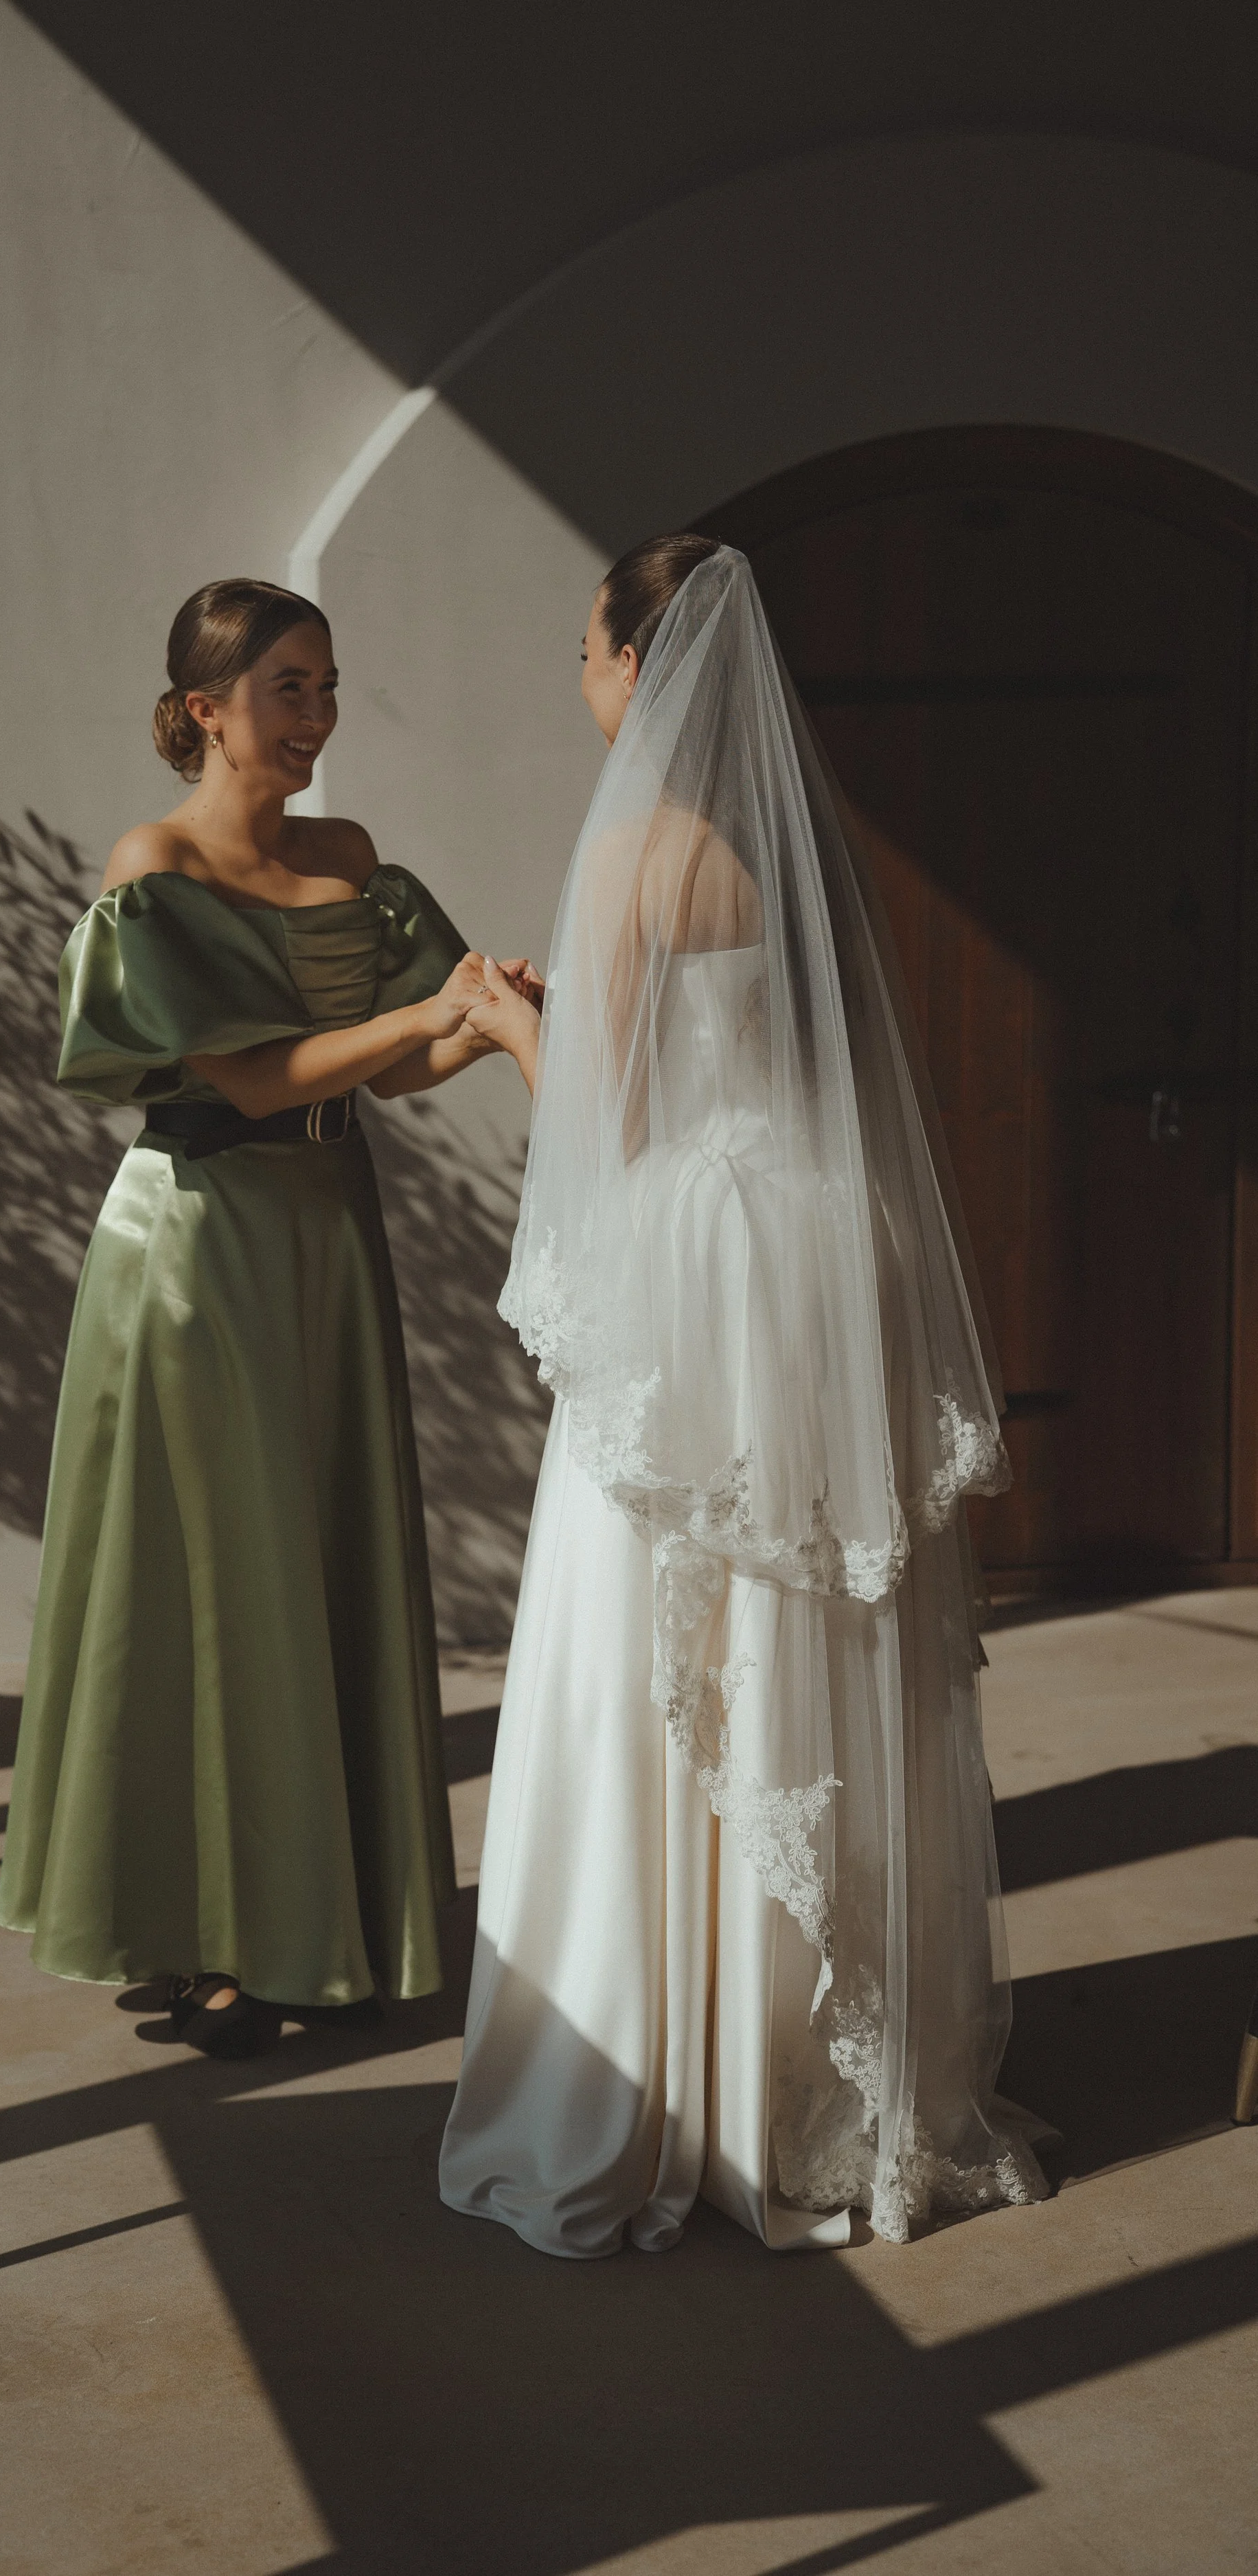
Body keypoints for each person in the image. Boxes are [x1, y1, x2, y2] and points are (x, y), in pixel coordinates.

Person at [439, 534, 1051, 2250]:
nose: (579, 679)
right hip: (803, 1250)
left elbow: (610, 1135)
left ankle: (667, 2064)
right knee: (802, 1625)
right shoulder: (776, 844)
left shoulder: (634, 841)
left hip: (696, 1269)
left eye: (583, 647)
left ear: (642, 666)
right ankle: (827, 2049)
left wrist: (504, 1028)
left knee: (662, 1624)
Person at [0, 578, 530, 2057]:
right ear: (200, 710)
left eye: (328, 686)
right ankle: (214, 1933)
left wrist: (477, 1023)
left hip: (326, 1235)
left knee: (310, 1566)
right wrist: (423, 1021)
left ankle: (289, 1927)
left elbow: (390, 1072)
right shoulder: (151, 868)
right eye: (286, 689)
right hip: (194, 1250)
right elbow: (248, 1078)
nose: (316, 717)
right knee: (214, 1585)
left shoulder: (356, 863)